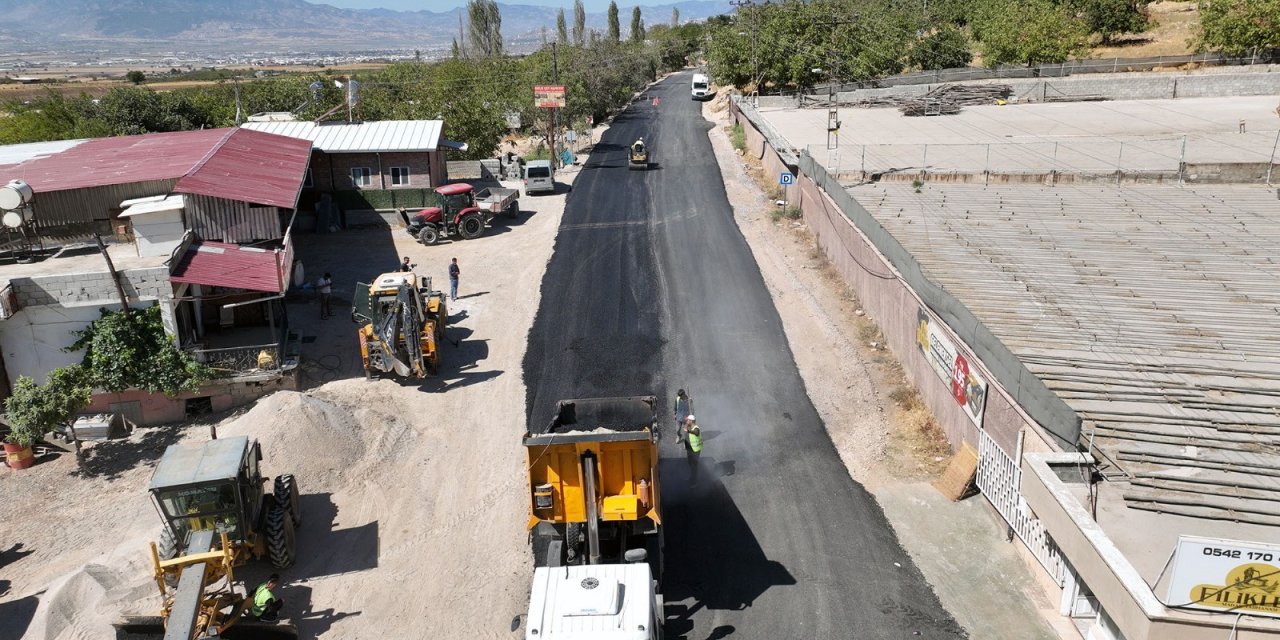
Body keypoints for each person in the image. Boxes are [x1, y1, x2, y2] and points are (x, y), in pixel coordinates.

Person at [675, 415, 703, 486]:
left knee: (694, 466)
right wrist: (687, 425)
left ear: (691, 421)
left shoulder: (696, 428)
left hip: (695, 451)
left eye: (688, 420)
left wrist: (689, 431)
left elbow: (696, 432)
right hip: (690, 450)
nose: (686, 422)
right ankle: (691, 478)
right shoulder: (690, 426)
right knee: (691, 465)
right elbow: (686, 432)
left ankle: (694, 482)